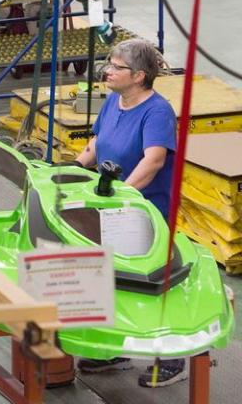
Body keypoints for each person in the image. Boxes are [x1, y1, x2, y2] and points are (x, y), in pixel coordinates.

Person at [74, 38, 183, 388]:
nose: (108, 70)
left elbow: (153, 161)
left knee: (149, 283)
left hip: (145, 210)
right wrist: (69, 172)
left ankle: (172, 357)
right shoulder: (112, 101)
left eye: (116, 66)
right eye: (109, 63)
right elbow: (96, 144)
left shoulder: (157, 111)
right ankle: (113, 348)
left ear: (138, 75)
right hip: (109, 205)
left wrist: (124, 195)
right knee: (109, 276)